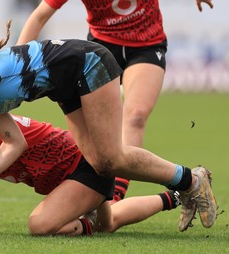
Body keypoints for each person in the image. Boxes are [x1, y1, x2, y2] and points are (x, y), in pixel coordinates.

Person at [0, 0, 217, 233]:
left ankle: (190, 180)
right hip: (67, 86)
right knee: (100, 163)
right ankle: (179, 190)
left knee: (110, 157)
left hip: (88, 63)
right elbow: (15, 143)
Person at [15, 0, 214, 204]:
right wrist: (18, 66)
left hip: (146, 46)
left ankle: (116, 196)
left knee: (136, 116)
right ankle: (95, 190)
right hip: (102, 50)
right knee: (93, 133)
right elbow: (40, 15)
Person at [0, 101, 182, 236]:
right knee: (111, 221)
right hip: (76, 171)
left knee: (39, 225)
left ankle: (92, 216)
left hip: (83, 169)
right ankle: (175, 196)